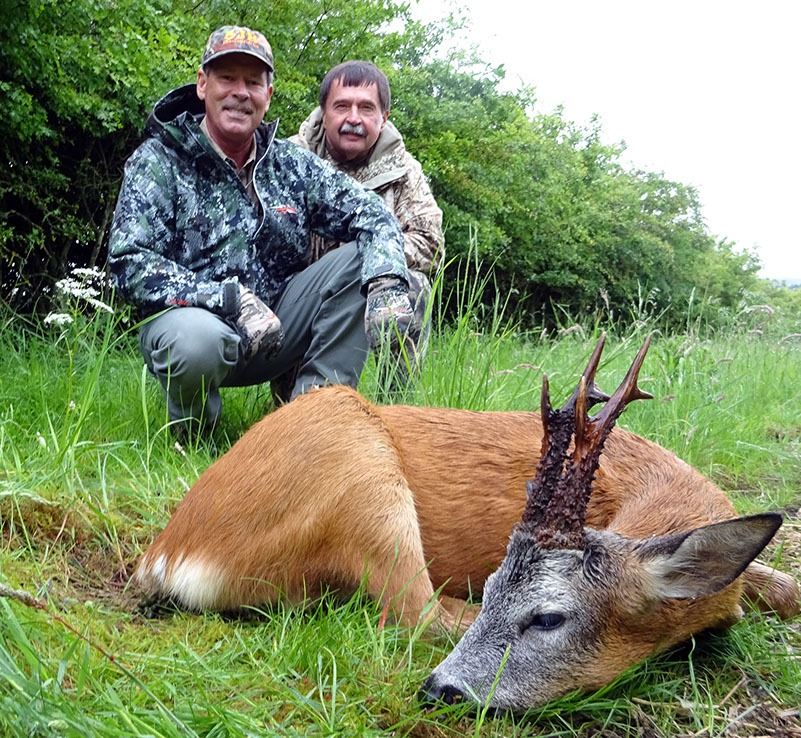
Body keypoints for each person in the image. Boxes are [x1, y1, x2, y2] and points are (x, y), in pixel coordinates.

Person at [108, 26, 413, 435]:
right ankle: (193, 438)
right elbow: (128, 261)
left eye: (253, 82)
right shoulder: (159, 160)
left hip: (277, 327)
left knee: (361, 258)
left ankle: (314, 426)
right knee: (196, 342)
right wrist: (228, 299)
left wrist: (387, 282)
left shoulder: (291, 164)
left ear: (268, 95)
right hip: (198, 327)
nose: (240, 92)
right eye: (227, 78)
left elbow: (371, 212)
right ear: (202, 84)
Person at [290, 61, 444, 382]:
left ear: (384, 117)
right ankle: (302, 397)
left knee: (414, 287)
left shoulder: (404, 170)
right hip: (306, 291)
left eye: (366, 108)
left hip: (372, 291)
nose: (354, 118)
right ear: (323, 112)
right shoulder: (290, 159)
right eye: (342, 106)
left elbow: (430, 244)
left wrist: (367, 258)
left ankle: (395, 399)